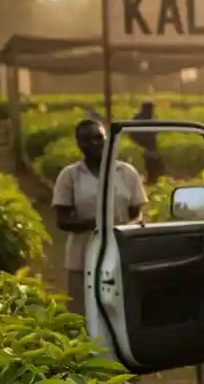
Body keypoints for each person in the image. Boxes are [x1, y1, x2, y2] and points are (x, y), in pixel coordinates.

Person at [52, 119, 147, 315]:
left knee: (119, 313)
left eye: (99, 138)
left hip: (120, 255)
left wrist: (125, 229)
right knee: (82, 315)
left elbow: (136, 213)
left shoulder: (126, 173)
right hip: (83, 258)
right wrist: (99, 224)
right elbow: (62, 220)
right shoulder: (70, 175)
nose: (95, 144)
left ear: (107, 140)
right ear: (79, 144)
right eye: (87, 140)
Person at [131, 99, 164, 184]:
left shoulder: (141, 118)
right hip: (145, 145)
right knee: (151, 162)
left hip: (149, 145)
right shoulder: (142, 118)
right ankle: (151, 179)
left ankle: (152, 179)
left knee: (153, 162)